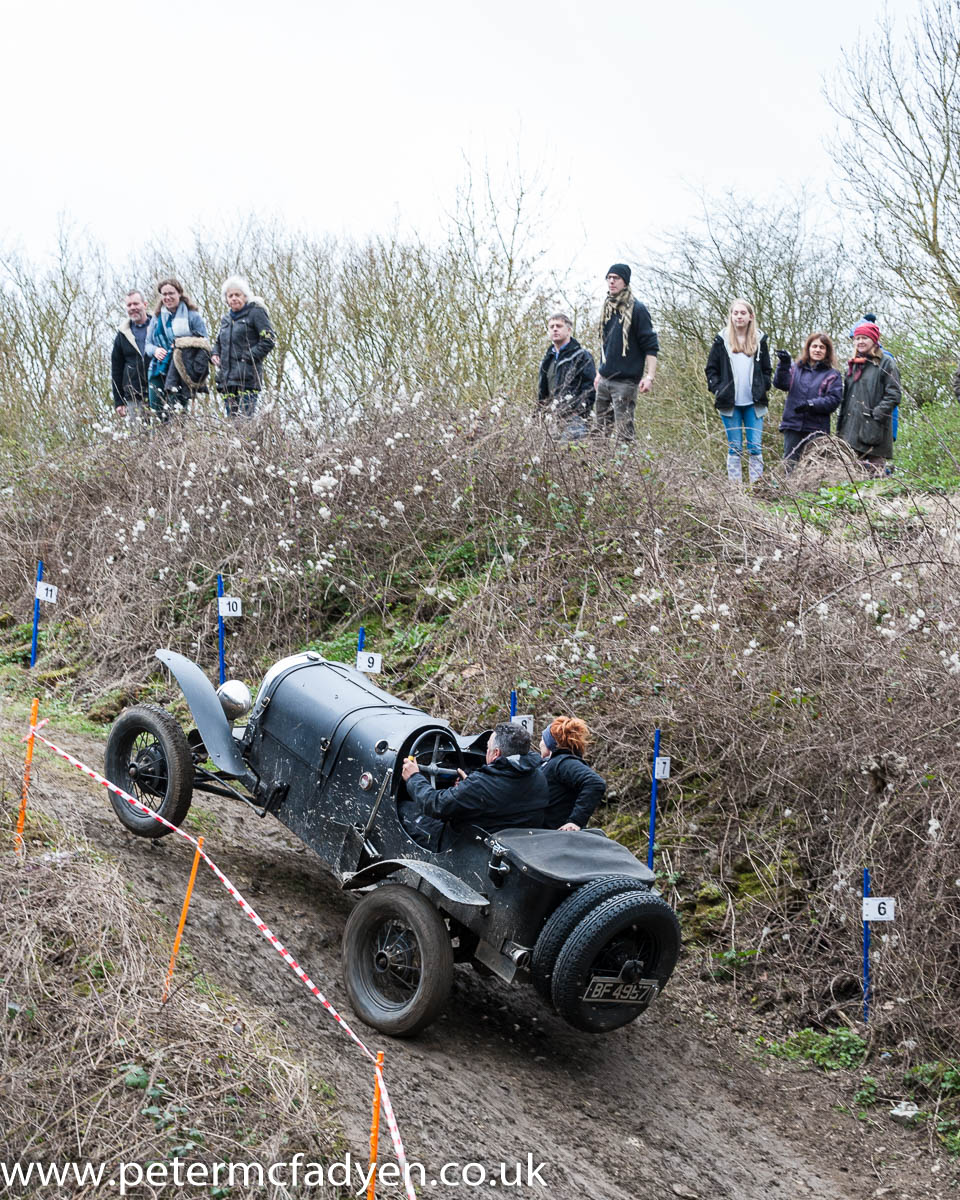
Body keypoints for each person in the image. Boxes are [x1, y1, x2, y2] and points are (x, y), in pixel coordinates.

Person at [400, 721, 548, 848]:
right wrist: (467, 787)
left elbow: (435, 804)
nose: (486, 751)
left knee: (403, 808)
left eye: (487, 748)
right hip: (511, 844)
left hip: (465, 846)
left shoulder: (481, 784)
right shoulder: (538, 776)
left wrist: (414, 777)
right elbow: (497, 794)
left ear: (496, 753)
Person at [705, 299, 772, 484]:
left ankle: (756, 487)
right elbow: (711, 369)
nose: (739, 316)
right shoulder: (721, 341)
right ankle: (736, 490)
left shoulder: (760, 340)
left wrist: (764, 385)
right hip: (730, 404)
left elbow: (767, 370)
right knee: (734, 448)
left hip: (754, 403)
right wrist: (718, 389)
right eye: (735, 313)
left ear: (750, 317)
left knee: (755, 447)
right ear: (731, 316)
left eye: (743, 313)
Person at [594, 263, 659, 442]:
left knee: (624, 435)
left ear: (625, 282)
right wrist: (600, 372)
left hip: (625, 382)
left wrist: (650, 376)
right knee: (599, 434)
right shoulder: (607, 308)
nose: (612, 281)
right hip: (605, 380)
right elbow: (605, 345)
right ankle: (598, 469)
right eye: (609, 278)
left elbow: (651, 346)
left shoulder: (638, 309)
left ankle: (626, 469)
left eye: (617, 278)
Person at [837, 321, 901, 474]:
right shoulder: (854, 364)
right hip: (850, 430)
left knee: (875, 478)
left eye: (864, 338)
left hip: (874, 432)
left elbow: (894, 394)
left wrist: (876, 415)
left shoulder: (886, 362)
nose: (860, 342)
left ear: (874, 340)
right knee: (850, 479)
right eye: (857, 338)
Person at [773, 332, 843, 469]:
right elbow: (781, 384)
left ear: (827, 351)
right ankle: (790, 491)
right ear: (808, 348)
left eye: (822, 347)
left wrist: (811, 404)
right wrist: (783, 365)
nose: (817, 350)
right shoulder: (795, 369)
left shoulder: (832, 374)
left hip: (817, 428)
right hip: (792, 425)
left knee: (814, 468)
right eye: (814, 346)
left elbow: (834, 400)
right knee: (790, 466)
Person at [211, 275, 276, 418]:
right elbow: (219, 342)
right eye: (230, 296)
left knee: (246, 421)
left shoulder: (256, 312)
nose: (234, 298)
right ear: (226, 300)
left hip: (248, 378)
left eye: (237, 295)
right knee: (232, 422)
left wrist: (248, 356)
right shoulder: (226, 319)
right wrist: (215, 354)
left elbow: (269, 339)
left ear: (245, 296)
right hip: (227, 379)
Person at [145, 278, 210, 420]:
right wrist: (155, 350)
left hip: (181, 369)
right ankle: (159, 441)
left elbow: (204, 344)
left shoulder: (193, 316)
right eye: (164, 294)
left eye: (171, 293)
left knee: (178, 412)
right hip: (158, 369)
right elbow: (148, 345)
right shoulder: (156, 319)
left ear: (179, 293)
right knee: (157, 414)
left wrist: (181, 343)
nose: (167, 297)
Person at [538, 717, 606, 831]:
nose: (540, 743)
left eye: (542, 738)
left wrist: (575, 821)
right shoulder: (553, 763)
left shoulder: (564, 762)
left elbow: (595, 783)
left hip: (557, 838)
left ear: (550, 743)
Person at [536, 312, 596, 440]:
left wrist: (579, 411)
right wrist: (540, 413)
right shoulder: (547, 360)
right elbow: (543, 392)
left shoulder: (582, 356)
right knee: (552, 457)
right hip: (551, 418)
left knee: (570, 454)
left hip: (575, 419)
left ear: (568, 330)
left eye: (559, 326)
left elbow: (590, 388)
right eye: (551, 327)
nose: (555, 329)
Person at [111, 289, 151, 423]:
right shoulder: (122, 335)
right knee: (139, 440)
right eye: (129, 305)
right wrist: (119, 401)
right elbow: (116, 369)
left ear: (145, 304)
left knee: (166, 436)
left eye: (136, 304)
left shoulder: (158, 327)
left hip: (159, 391)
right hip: (133, 396)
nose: (133, 308)